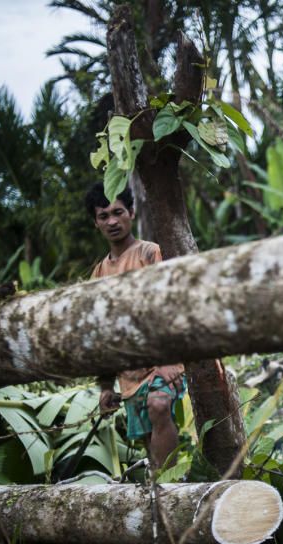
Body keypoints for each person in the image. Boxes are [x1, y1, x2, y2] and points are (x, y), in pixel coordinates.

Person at [86, 182, 186, 471]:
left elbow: (169, 305)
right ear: (96, 223)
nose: (112, 221)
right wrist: (105, 386)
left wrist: (167, 361)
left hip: (164, 363)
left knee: (159, 404)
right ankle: (159, 496)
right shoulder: (99, 273)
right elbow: (101, 332)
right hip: (128, 372)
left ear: (131, 212)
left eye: (118, 212)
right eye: (103, 216)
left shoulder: (150, 253)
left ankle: (173, 485)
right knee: (146, 438)